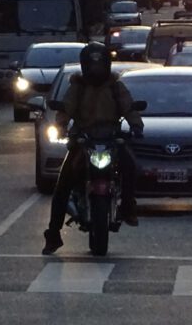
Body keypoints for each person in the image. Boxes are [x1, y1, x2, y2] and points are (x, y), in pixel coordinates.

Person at [42, 42, 143, 255]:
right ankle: (53, 234)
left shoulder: (116, 86)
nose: (96, 69)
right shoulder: (77, 87)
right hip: (84, 139)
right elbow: (66, 108)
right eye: (92, 64)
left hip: (111, 137)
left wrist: (136, 125)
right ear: (84, 65)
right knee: (62, 185)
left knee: (131, 165)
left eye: (100, 64)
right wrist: (61, 126)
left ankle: (128, 206)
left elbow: (128, 105)